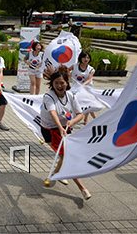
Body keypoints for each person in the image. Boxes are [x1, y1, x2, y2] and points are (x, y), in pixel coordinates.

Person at [40, 66, 91, 200]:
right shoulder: (48, 97)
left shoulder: (71, 96)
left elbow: (80, 114)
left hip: (65, 128)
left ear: (67, 83)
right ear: (52, 84)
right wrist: (60, 127)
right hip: (50, 130)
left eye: (62, 82)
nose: (59, 85)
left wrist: (72, 122)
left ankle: (55, 174)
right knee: (66, 157)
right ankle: (82, 188)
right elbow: (53, 114)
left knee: (64, 156)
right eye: (56, 83)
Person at [71, 51, 96, 124]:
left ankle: (93, 119)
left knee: (89, 104)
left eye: (88, 57)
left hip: (87, 88)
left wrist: (82, 86)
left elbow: (89, 79)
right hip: (76, 89)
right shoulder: (75, 66)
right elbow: (67, 70)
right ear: (80, 58)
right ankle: (82, 119)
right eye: (84, 57)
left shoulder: (91, 69)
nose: (86, 59)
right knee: (76, 103)